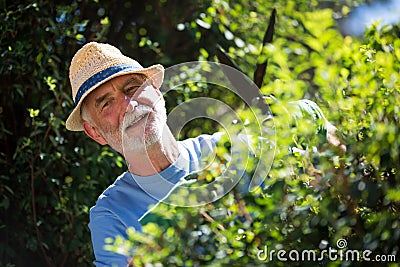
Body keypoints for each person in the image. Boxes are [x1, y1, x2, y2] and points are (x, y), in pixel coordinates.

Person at [66, 42, 343, 266]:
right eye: (106, 103)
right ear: (95, 132)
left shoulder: (229, 150)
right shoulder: (112, 215)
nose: (129, 105)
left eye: (132, 88)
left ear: (156, 92)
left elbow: (312, 119)